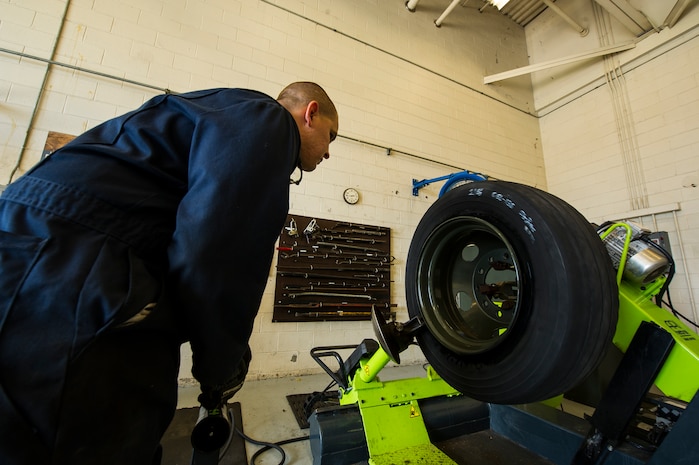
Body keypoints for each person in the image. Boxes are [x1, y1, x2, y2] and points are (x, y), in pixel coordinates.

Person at [0, 82, 339, 464]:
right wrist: (220, 368)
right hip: (77, 276)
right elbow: (219, 248)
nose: (328, 152)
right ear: (309, 114)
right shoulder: (268, 119)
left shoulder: (208, 109)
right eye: (330, 136)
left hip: (23, 247)